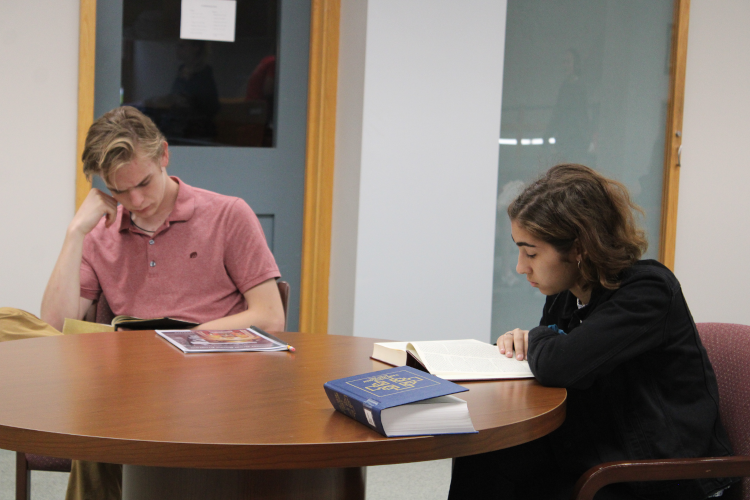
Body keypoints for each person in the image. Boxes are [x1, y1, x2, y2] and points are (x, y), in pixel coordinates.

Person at [39, 105, 286, 500]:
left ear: (164, 155)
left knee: (103, 425)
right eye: (118, 190)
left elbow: (270, 315)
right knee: (9, 324)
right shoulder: (101, 234)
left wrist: (179, 340)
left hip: (212, 383)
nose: (135, 201)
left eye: (144, 183)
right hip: (125, 389)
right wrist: (75, 234)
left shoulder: (227, 215)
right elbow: (51, 329)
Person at [449, 164, 734, 500]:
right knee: (483, 450)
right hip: (602, 451)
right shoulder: (566, 295)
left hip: (661, 475)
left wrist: (536, 337)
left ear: (579, 248)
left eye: (531, 253)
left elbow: (559, 364)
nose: (520, 267)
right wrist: (533, 343)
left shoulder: (648, 291)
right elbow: (553, 359)